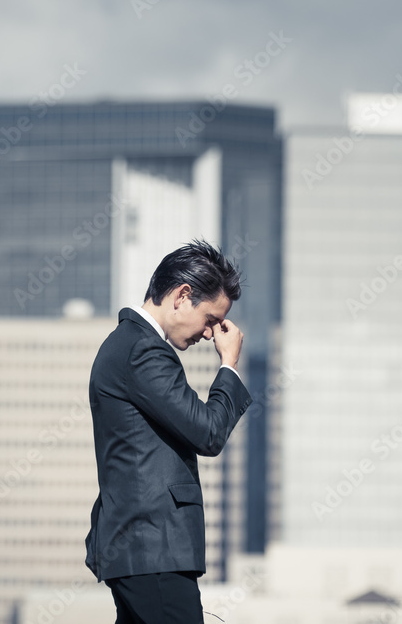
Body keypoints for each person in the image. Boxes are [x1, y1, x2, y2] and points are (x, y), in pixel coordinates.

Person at [84, 240, 253, 623]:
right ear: (182, 296)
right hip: (152, 546)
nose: (211, 334)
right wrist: (228, 365)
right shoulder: (143, 350)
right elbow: (208, 432)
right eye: (210, 318)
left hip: (141, 548)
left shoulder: (129, 345)